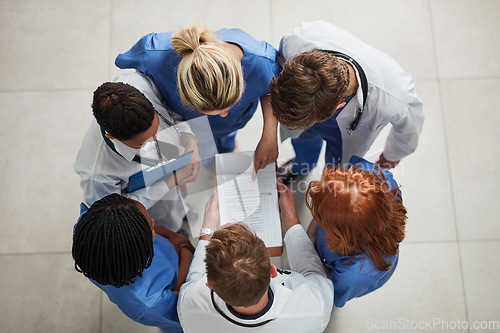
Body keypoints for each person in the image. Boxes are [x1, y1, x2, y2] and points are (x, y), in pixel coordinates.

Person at [115, 24, 282, 176]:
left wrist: (270, 132)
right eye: (212, 111)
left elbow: (273, 90)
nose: (223, 115)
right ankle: (211, 166)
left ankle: (228, 145)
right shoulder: (153, 56)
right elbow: (138, 78)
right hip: (191, 123)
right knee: (206, 150)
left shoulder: (264, 63)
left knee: (227, 136)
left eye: (230, 105)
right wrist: (184, 136)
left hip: (235, 122)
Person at [269, 20, 424, 182]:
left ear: (339, 106)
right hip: (306, 112)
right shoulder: (298, 41)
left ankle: (328, 186)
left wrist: (389, 158)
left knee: (335, 172)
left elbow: (410, 130)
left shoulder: (395, 95)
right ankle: (300, 166)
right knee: (303, 143)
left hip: (342, 137)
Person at [177, 183, 334, 332]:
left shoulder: (189, 306)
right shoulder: (313, 308)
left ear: (209, 283)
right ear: (273, 271)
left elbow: (195, 277)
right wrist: (290, 217)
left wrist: (208, 229)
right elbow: (314, 273)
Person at [74, 71, 200, 231]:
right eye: (143, 142)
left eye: (156, 129)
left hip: (175, 176)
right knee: (168, 225)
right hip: (154, 210)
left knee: (178, 203)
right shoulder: (97, 175)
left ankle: (182, 213)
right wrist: (170, 182)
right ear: (112, 137)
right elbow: (117, 212)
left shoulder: (138, 83)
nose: (156, 139)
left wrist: (190, 139)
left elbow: (174, 108)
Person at [72, 193, 195, 333]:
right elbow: (184, 302)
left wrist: (172, 237)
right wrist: (185, 248)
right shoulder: (149, 302)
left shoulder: (88, 232)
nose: (154, 221)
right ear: (138, 250)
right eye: (151, 226)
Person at [306, 155, 407, 307]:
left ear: (344, 236)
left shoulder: (355, 274)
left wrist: (309, 253)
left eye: (321, 217)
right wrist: (312, 234)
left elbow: (331, 289)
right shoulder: (373, 176)